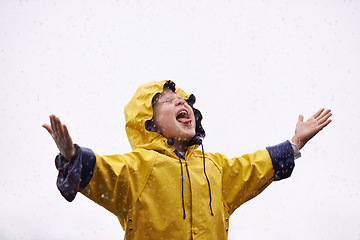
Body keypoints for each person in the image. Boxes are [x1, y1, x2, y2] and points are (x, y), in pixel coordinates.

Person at [43, 80, 332, 240]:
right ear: (150, 124)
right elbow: (104, 171)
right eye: (168, 101)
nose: (182, 103)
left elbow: (254, 166)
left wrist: (294, 144)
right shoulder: (139, 168)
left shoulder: (215, 169)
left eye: (184, 101)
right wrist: (72, 157)